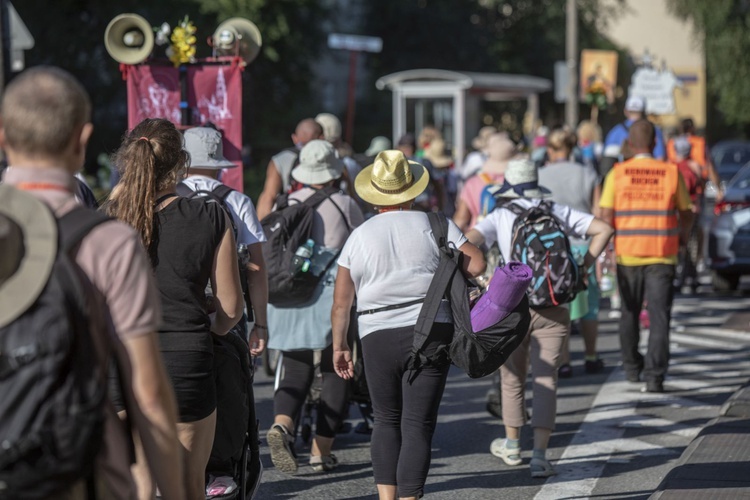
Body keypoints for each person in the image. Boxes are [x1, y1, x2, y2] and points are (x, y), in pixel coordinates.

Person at [0, 67, 185, 499]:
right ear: (82, 142)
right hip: (78, 471)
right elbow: (148, 393)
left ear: (3, 137)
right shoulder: (108, 241)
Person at [331, 150, 486, 500]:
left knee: (386, 419)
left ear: (375, 194)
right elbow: (475, 266)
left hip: (375, 333)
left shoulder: (359, 235)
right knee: (417, 423)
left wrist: (340, 346)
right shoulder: (437, 224)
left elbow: (342, 301)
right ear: (412, 191)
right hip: (432, 328)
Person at [106, 118, 244, 499]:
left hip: (124, 362)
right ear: (181, 163)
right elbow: (231, 309)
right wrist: (210, 327)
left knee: (134, 486)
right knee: (186, 486)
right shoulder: (210, 215)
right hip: (187, 358)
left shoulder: (107, 218)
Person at [466, 159, 613, 478]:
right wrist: (583, 268)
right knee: (547, 378)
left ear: (508, 187)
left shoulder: (501, 215)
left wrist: (484, 282)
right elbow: (604, 229)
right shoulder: (555, 210)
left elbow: (469, 242)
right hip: (555, 304)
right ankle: (541, 456)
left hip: (512, 307)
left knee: (512, 377)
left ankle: (512, 445)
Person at [265, 140, 364, 475]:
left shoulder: (287, 201)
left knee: (294, 365)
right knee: (337, 368)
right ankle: (321, 452)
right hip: (330, 294)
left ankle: (282, 425)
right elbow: (360, 244)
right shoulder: (345, 203)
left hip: (289, 293)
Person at [180, 126, 269, 496]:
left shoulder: (168, 197)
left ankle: (182, 468)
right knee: (228, 387)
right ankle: (222, 470)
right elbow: (258, 269)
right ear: (219, 164)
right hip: (228, 310)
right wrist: (260, 323)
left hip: (179, 307)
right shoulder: (237, 201)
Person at [599, 119, 694, 393]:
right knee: (659, 317)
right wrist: (682, 237)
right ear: (655, 144)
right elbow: (687, 213)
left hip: (628, 254)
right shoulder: (670, 172)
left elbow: (605, 216)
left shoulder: (617, 174)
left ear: (629, 144)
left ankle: (631, 368)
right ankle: (655, 377)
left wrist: (607, 248)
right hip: (662, 254)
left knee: (628, 313)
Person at [539, 127, 605, 377]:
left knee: (559, 303)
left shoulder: (541, 174)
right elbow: (598, 212)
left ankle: (563, 361)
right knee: (590, 305)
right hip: (583, 244)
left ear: (550, 149)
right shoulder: (587, 173)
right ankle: (590, 355)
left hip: (551, 246)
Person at [256, 118, 324, 219]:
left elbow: (269, 196)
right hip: (321, 215)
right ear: (322, 138)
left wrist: (263, 229)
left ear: (294, 138)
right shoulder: (328, 157)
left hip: (291, 218)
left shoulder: (281, 159)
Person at [454, 133, 516, 232]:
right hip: (508, 237)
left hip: (478, 237)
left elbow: (461, 220)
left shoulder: (473, 182)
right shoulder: (516, 183)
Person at [603, 95, 666, 162]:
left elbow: (607, 161)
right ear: (644, 112)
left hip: (623, 170)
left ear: (625, 112)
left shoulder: (615, 132)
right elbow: (660, 158)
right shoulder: (653, 130)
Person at [395, 133, 444, 212]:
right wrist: (440, 206)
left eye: (408, 147)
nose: (406, 150)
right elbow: (438, 185)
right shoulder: (424, 162)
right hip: (422, 204)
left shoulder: (394, 163)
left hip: (402, 204)